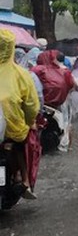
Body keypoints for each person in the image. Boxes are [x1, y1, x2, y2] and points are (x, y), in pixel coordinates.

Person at [0, 29, 41, 200]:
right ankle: (24, 180)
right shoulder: (22, 74)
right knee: (22, 145)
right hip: (13, 128)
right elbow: (32, 105)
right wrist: (30, 121)